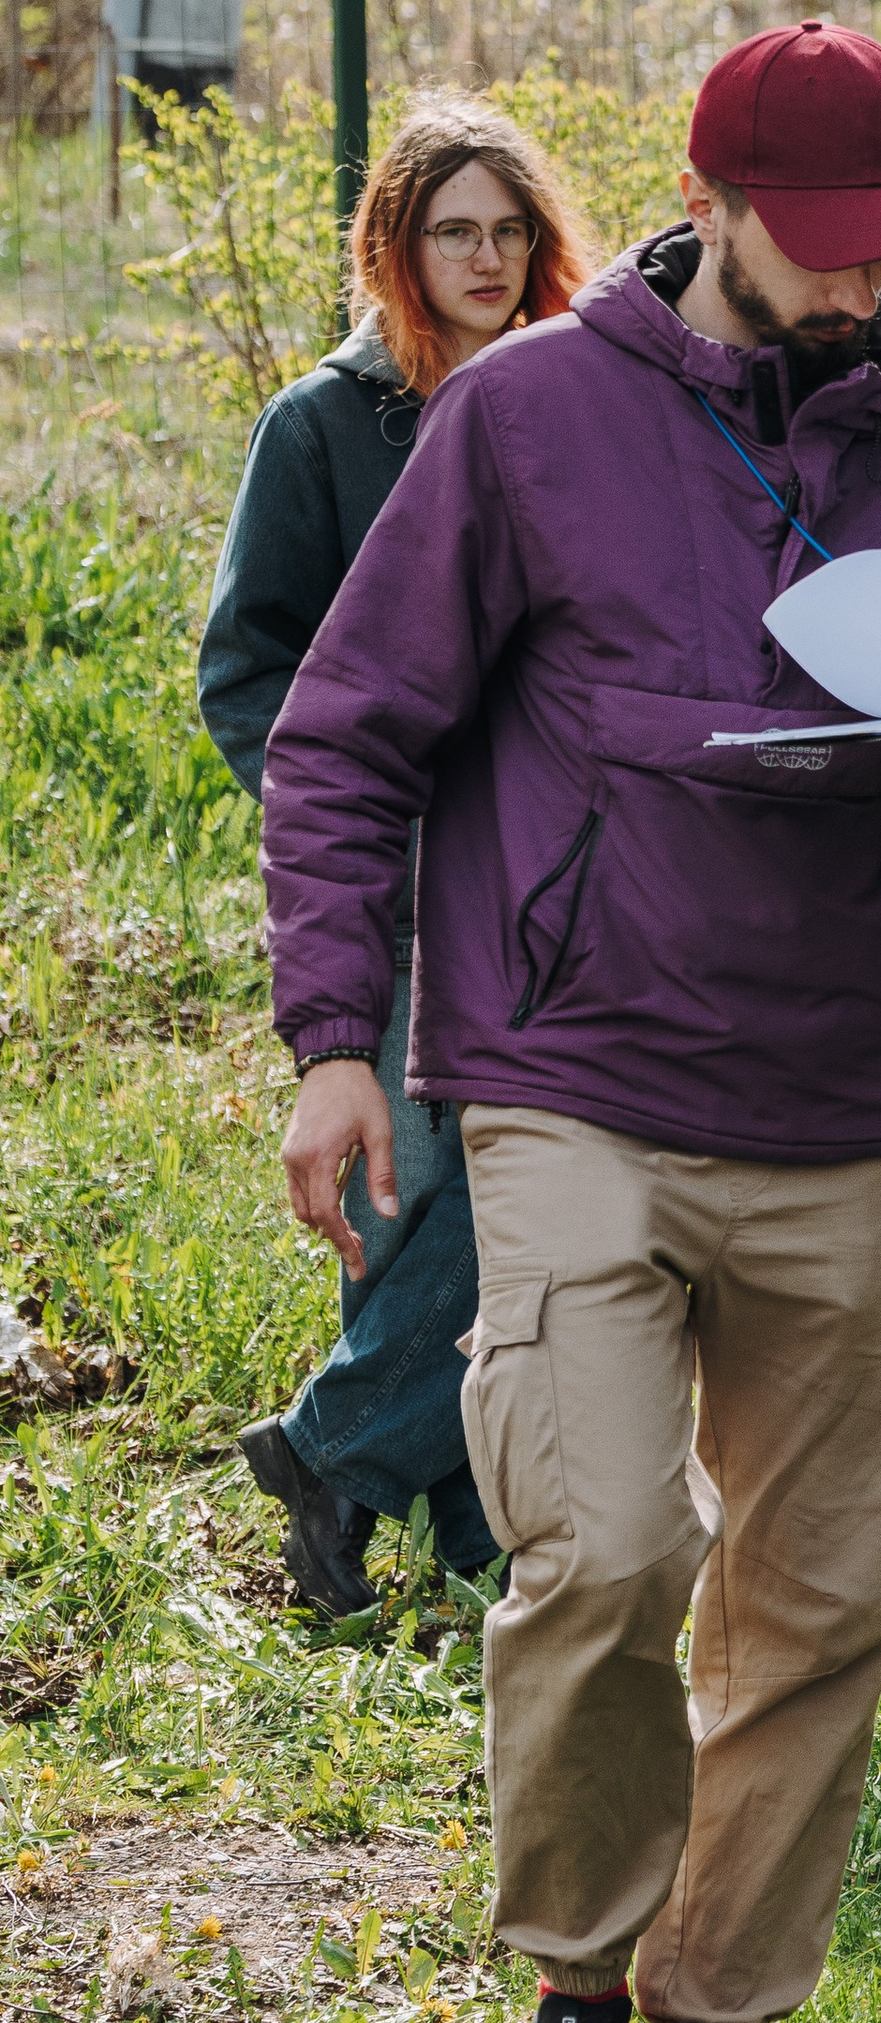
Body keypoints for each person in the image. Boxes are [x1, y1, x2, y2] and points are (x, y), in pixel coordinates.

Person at [256, 21, 881, 2023]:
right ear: (712, 199)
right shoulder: (523, 424)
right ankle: (574, 2010)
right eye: (832, 237)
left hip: (834, 1090)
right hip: (573, 1063)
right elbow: (346, 736)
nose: (868, 282)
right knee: (601, 1548)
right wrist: (337, 1035)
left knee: (819, 1599)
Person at [202, 96, 599, 1612]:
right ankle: (425, 1507)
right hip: (400, 884)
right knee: (412, 1202)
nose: (487, 258)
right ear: (398, 248)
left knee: (527, 1197)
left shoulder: (576, 406)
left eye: (511, 230)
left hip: (553, 876)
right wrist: (359, 819)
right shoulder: (320, 427)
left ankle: (355, 1469)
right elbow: (250, 671)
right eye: (456, 232)